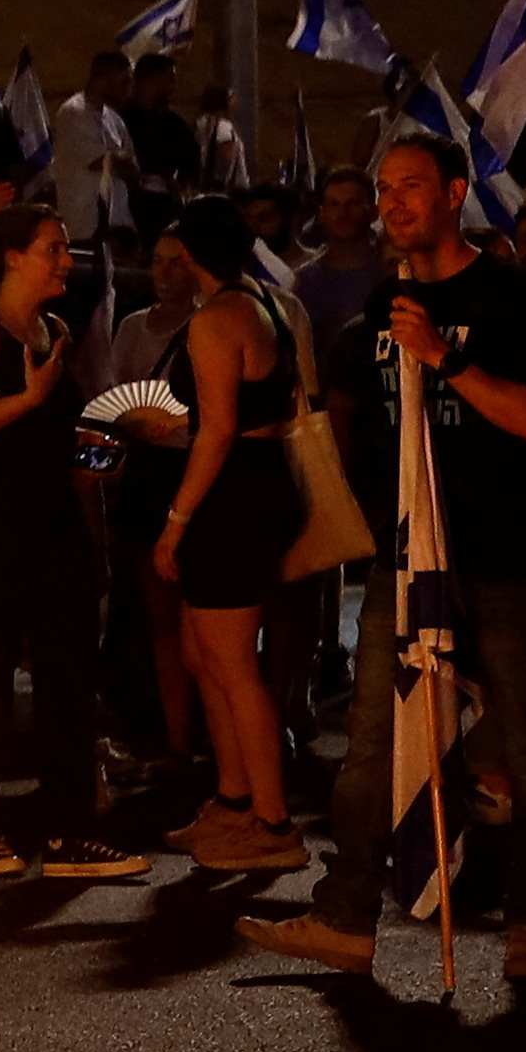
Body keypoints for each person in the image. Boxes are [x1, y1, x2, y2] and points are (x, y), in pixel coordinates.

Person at [256, 137, 526, 977]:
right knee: (372, 741)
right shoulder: (382, 302)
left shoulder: (511, 299)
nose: (392, 204)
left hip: (501, 557)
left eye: (411, 188)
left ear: (455, 192)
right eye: (383, 189)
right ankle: (347, 916)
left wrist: (446, 357)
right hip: (408, 561)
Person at [0, 213, 141, 880]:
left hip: (50, 523)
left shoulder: (50, 332)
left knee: (66, 680)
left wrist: (99, 449)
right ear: (13, 257)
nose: (65, 261)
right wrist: (29, 397)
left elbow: (54, 433)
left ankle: (70, 829)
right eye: (52, 249)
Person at [139, 200, 315, 872]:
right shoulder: (262, 304)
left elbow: (217, 431)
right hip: (257, 482)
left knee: (235, 664)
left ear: (193, 255)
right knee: (201, 650)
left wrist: (175, 522)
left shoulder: (216, 320)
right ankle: (235, 798)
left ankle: (272, 822)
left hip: (234, 495)